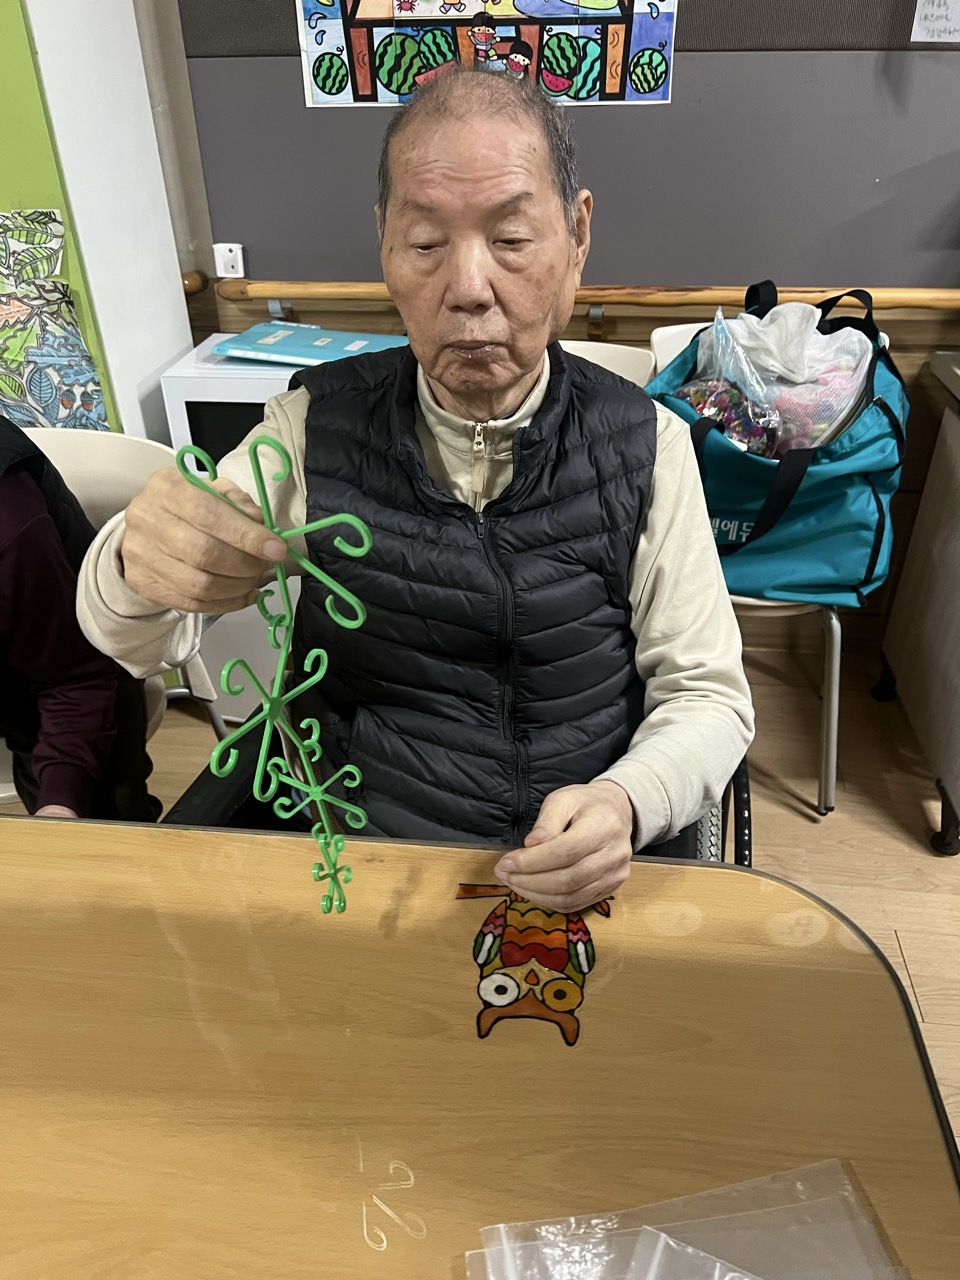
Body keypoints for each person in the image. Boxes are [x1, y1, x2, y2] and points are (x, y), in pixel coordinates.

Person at [78, 70, 753, 909]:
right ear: (384, 245)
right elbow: (132, 636)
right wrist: (133, 565)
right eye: (427, 243)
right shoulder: (308, 429)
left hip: (568, 865)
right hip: (360, 860)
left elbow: (708, 695)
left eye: (511, 238)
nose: (467, 288)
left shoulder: (647, 445)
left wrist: (627, 800)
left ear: (577, 234)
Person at [0, 417, 160, 821]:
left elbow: (75, 680)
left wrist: (60, 803)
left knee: (103, 822)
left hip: (73, 679)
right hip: (37, 668)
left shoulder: (11, 527)